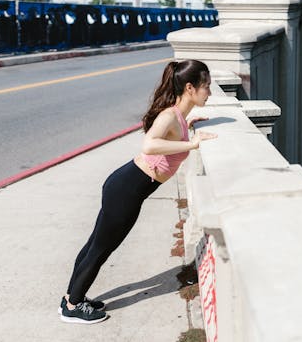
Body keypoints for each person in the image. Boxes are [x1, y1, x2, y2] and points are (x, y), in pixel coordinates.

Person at [59, 59, 217, 324]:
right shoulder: (169, 115)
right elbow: (150, 145)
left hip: (126, 185)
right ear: (190, 88)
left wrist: (188, 130)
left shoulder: (178, 117)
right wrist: (192, 145)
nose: (209, 92)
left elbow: (169, 138)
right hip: (127, 189)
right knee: (100, 248)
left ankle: (71, 297)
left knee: (95, 244)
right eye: (206, 87)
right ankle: (73, 306)